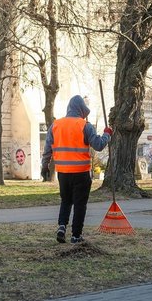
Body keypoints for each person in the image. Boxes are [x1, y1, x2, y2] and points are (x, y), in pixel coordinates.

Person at [41, 95, 112, 244]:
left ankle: (62, 226)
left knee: (66, 201)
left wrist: (44, 166)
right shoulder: (85, 126)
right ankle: (76, 235)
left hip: (63, 173)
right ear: (81, 110)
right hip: (81, 172)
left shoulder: (55, 125)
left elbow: (47, 149)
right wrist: (107, 134)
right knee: (80, 204)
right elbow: (99, 145)